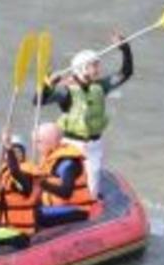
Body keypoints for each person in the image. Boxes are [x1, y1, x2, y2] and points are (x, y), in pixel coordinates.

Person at [38, 31, 133, 197]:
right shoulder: (66, 91)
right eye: (94, 65)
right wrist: (47, 85)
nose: (98, 69)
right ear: (82, 68)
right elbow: (38, 101)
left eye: (98, 64)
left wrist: (125, 49)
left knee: (92, 190)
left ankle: (91, 202)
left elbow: (125, 73)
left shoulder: (101, 86)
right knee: (66, 183)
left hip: (94, 146)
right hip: (70, 144)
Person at [34, 123, 94, 226]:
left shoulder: (68, 163)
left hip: (76, 209)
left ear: (51, 142)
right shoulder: (49, 156)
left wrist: (42, 183)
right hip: (54, 204)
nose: (35, 145)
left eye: (39, 141)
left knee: (31, 215)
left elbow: (66, 192)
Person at [0, 133, 41, 236]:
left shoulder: (27, 175)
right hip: (3, 225)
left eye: (18, 152)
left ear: (23, 154)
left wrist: (9, 149)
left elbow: (15, 171)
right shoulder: (2, 173)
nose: (15, 154)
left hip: (20, 231)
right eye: (12, 152)